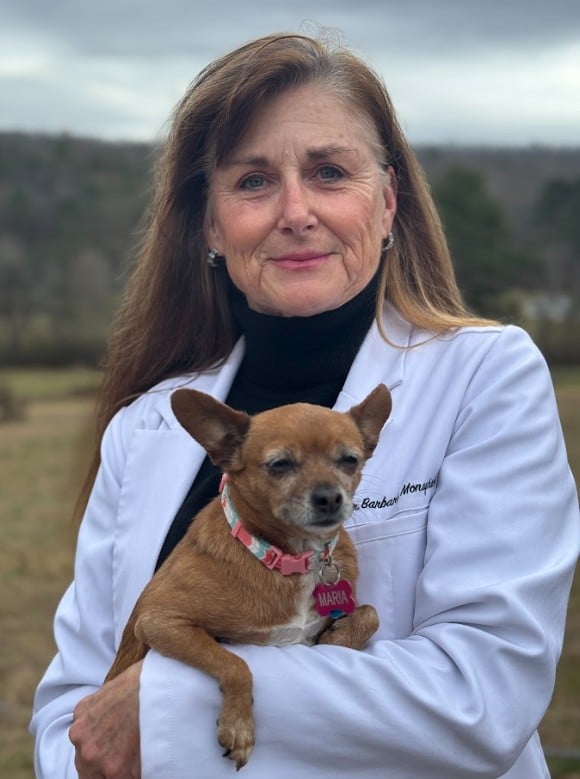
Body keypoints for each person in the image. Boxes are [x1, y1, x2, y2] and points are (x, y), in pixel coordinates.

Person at [31, 32, 579, 779]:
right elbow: (71, 715)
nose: (296, 211)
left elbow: (483, 695)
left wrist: (169, 705)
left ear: (387, 203)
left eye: (329, 172)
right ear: (212, 223)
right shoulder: (146, 425)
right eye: (253, 181)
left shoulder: (486, 375)